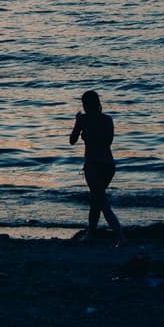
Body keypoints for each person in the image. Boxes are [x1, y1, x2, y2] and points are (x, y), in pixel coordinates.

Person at [68, 90, 125, 243]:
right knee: (96, 200)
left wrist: (78, 122)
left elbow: (72, 140)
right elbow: (108, 142)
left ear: (85, 104)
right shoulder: (108, 119)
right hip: (108, 164)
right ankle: (91, 233)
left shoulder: (83, 119)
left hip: (93, 165)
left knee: (102, 202)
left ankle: (121, 236)